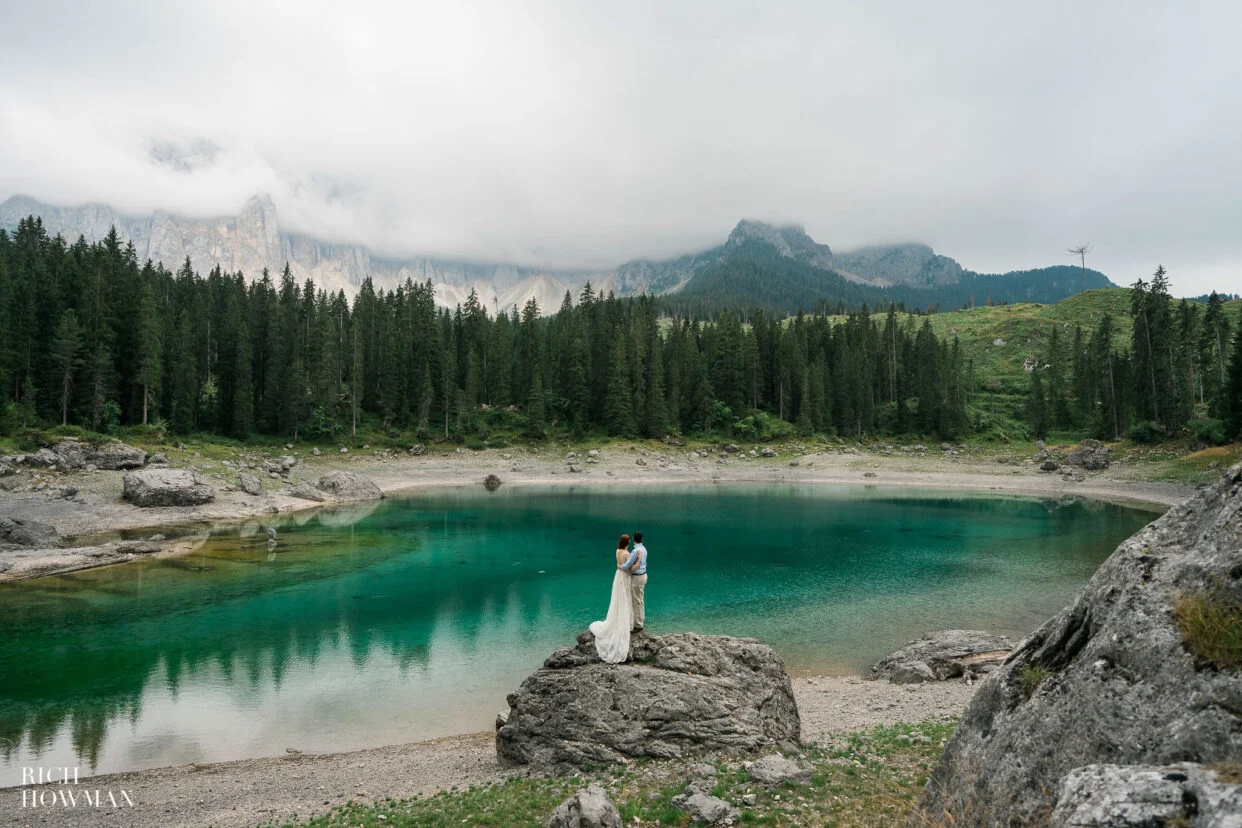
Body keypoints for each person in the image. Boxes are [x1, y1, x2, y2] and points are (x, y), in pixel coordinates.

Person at [588, 534, 635, 663]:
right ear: (627, 542)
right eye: (629, 540)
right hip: (625, 577)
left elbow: (619, 565)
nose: (630, 541)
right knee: (625, 599)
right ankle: (626, 623)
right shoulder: (627, 553)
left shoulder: (617, 551)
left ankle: (618, 619)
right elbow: (630, 567)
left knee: (617, 599)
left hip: (618, 575)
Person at [624, 531, 648, 632]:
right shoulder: (644, 549)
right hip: (644, 576)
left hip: (637, 577)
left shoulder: (635, 551)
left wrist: (619, 566)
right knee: (640, 600)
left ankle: (638, 625)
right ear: (642, 539)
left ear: (634, 539)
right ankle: (640, 620)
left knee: (637, 601)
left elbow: (627, 565)